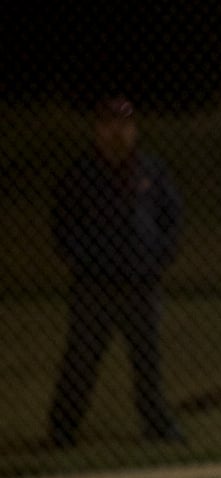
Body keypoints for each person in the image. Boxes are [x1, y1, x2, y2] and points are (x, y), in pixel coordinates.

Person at [48, 95, 184, 447]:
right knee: (81, 360)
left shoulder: (151, 171)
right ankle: (63, 429)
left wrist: (159, 257)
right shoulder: (80, 174)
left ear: (134, 129)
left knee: (147, 363)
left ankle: (157, 427)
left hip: (141, 284)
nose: (118, 133)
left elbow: (173, 217)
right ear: (98, 129)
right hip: (95, 287)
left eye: (124, 125)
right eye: (110, 125)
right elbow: (62, 226)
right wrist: (83, 259)